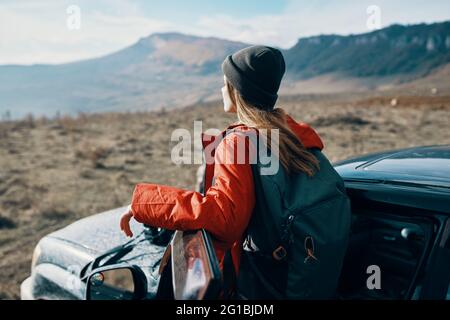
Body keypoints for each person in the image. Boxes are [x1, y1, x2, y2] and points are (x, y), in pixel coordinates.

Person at [120, 46, 350, 299]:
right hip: (293, 277)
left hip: (261, 286)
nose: (221, 89)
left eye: (224, 82)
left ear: (237, 89)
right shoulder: (293, 136)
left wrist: (146, 202)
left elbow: (224, 217)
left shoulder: (239, 143)